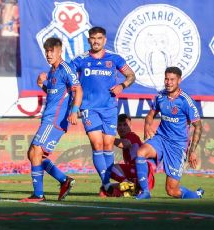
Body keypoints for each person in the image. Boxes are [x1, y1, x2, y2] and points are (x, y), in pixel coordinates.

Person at [71, 26, 136, 194]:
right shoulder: (81, 59)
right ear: (88, 40)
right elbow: (66, 74)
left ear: (104, 40)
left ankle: (108, 184)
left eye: (99, 38)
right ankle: (106, 184)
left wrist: (122, 85)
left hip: (109, 108)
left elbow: (131, 76)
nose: (96, 41)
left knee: (108, 145)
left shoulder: (114, 58)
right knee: (97, 144)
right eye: (93, 38)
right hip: (89, 108)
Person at [20, 37, 83, 202]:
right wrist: (42, 85)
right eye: (46, 51)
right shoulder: (52, 71)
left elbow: (78, 90)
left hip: (55, 120)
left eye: (51, 51)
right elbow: (55, 94)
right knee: (34, 154)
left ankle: (38, 194)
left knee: (35, 151)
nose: (48, 54)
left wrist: (74, 111)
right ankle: (64, 180)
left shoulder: (66, 68)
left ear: (59, 51)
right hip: (48, 118)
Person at [135, 67, 204, 200]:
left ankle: (196, 195)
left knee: (172, 191)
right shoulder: (160, 97)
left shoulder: (185, 101)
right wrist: (147, 126)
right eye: (166, 79)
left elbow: (198, 127)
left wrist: (192, 151)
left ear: (179, 80)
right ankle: (145, 192)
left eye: (172, 79)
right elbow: (150, 115)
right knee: (140, 153)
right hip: (160, 139)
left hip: (177, 146)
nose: (168, 82)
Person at [106, 114, 155, 197]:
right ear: (116, 127)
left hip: (141, 173)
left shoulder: (131, 136)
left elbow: (125, 144)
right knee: (105, 189)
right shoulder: (129, 137)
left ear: (130, 126)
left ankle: (129, 187)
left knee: (109, 168)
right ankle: (133, 189)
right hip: (143, 178)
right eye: (119, 125)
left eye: (125, 125)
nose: (122, 128)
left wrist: (108, 138)